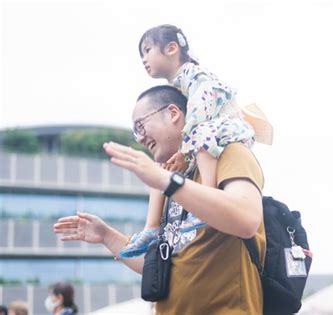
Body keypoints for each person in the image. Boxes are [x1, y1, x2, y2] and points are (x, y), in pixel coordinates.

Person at [54, 85, 265, 314]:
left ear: (173, 113)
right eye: (136, 132)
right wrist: (106, 235)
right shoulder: (172, 182)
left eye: (140, 126)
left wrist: (166, 181)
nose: (141, 138)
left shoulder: (228, 153)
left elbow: (246, 220)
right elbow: (154, 266)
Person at [119, 24, 272, 259]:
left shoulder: (196, 76)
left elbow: (200, 115)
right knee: (160, 169)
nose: (144, 59)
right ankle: (151, 227)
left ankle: (207, 195)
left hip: (224, 129)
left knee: (200, 135)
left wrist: (183, 152)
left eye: (147, 50)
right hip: (205, 136)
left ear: (171, 48)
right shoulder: (178, 84)